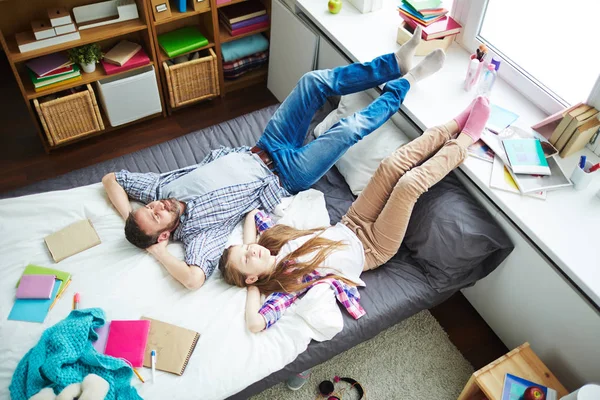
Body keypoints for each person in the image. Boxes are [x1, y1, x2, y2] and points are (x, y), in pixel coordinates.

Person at [102, 26, 445, 290]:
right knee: (346, 130)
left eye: (149, 207)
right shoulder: (198, 234)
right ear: (165, 235)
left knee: (312, 82)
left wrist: (129, 216)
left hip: (265, 145)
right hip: (287, 175)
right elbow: (193, 280)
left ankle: (393, 65)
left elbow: (111, 179)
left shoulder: (159, 188)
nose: (158, 207)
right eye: (156, 217)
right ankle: (409, 81)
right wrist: (157, 253)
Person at [219, 96, 492, 333]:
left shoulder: (269, 242)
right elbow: (256, 323)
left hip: (351, 222)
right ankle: (466, 140)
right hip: (372, 247)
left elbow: (253, 214)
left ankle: (452, 126)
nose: (251, 251)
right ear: (251, 278)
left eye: (246, 249)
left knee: (390, 165)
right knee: (408, 186)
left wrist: (249, 244)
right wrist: (254, 289)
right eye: (246, 258)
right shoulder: (284, 287)